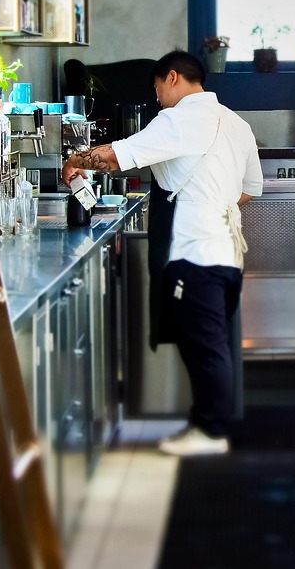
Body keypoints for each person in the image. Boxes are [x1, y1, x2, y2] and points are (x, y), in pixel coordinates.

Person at [63, 51, 261, 457]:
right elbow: (249, 191)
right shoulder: (238, 124)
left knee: (203, 347)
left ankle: (211, 431)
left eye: (157, 89)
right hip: (227, 251)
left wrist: (75, 160)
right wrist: (213, 203)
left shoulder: (178, 119)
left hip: (194, 254)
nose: (156, 99)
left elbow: (118, 155)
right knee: (213, 343)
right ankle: (210, 425)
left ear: (173, 78)